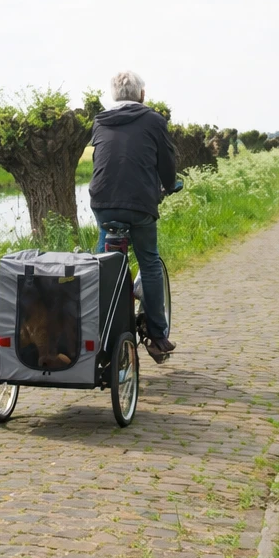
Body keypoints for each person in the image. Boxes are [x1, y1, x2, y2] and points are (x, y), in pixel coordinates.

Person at [90, 71, 178, 361]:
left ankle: (98, 331)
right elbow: (166, 163)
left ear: (114, 96)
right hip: (139, 204)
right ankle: (157, 336)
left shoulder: (100, 121)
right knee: (149, 262)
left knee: (103, 265)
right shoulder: (154, 120)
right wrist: (169, 182)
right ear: (142, 95)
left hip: (103, 203)